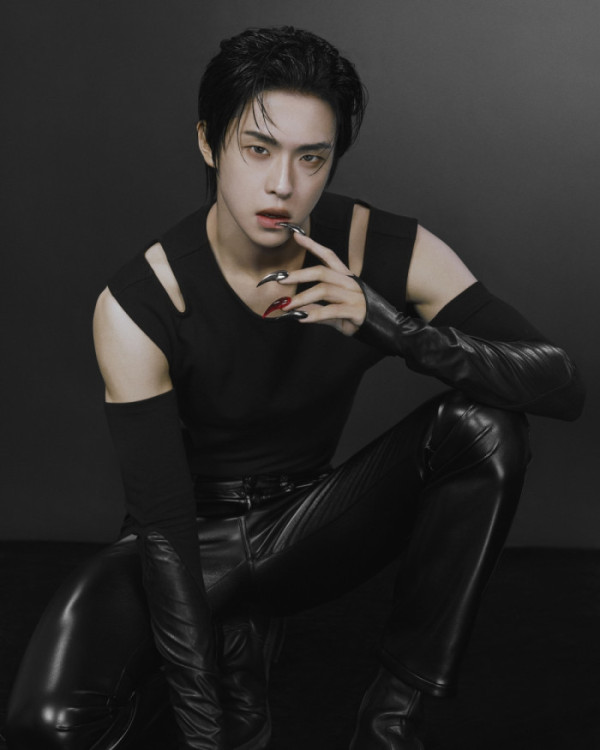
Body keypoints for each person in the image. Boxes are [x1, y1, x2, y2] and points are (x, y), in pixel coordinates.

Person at [5, 25, 584, 750]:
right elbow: (163, 528)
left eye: (312, 157)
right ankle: (236, 636)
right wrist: (205, 729)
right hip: (186, 543)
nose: (284, 185)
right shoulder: (141, 302)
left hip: (310, 528)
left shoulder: (382, 249)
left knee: (486, 428)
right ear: (209, 143)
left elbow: (560, 385)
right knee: (46, 727)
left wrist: (391, 328)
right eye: (258, 149)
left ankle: (390, 723)